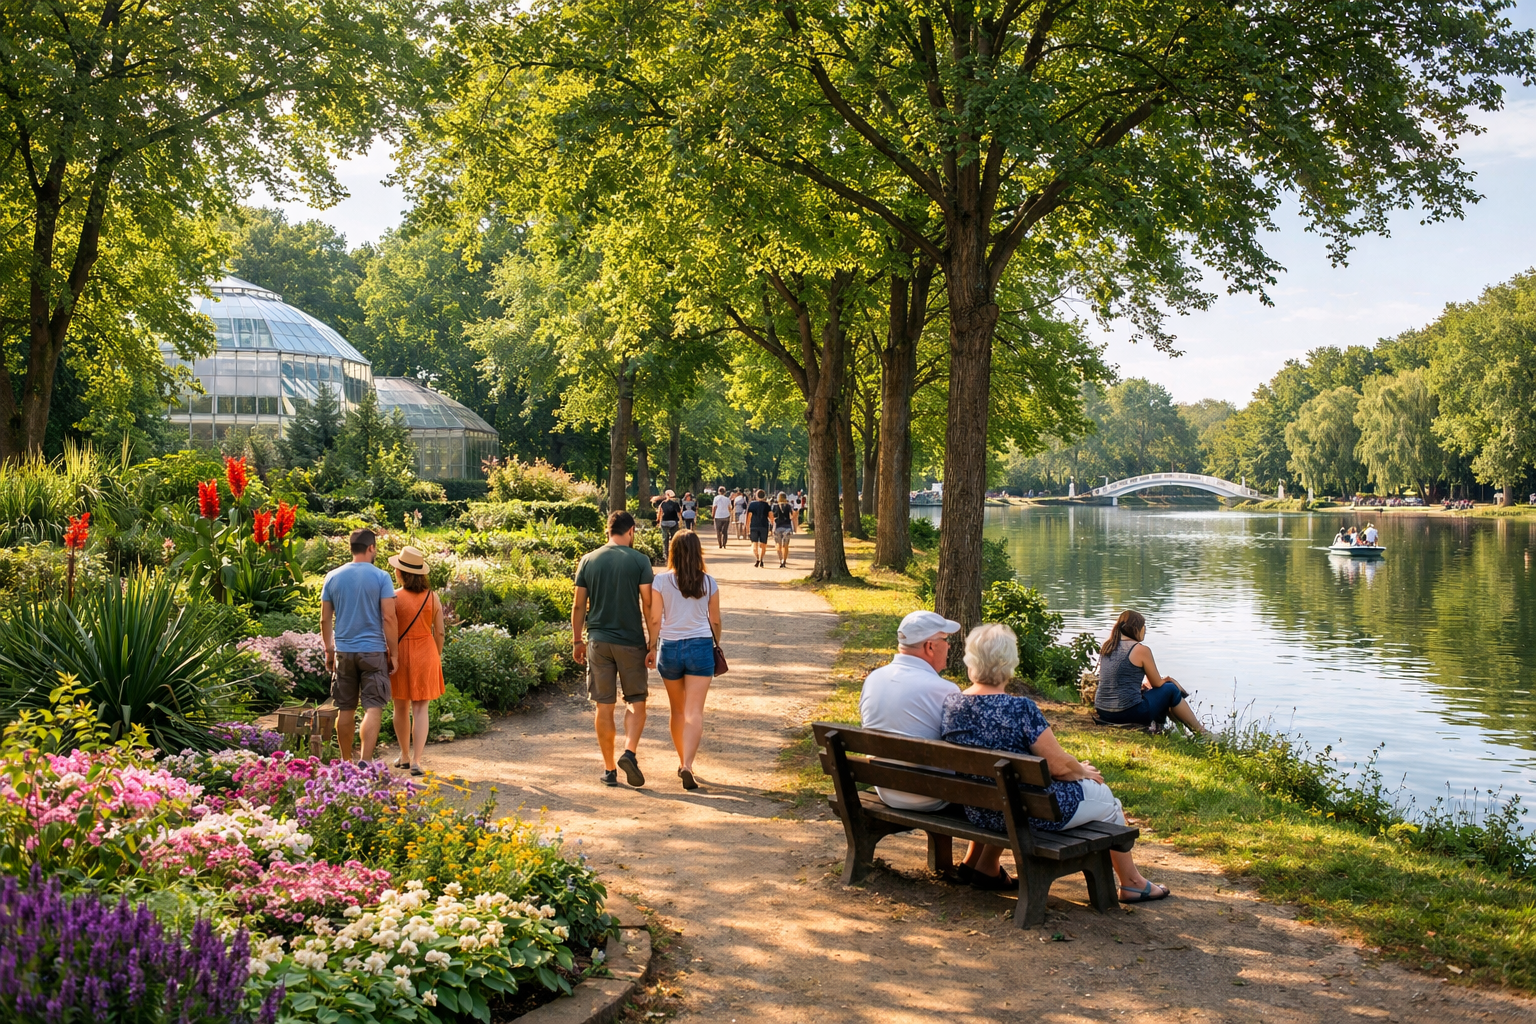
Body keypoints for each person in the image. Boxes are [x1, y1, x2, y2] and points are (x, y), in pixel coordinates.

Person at [942, 623, 1171, 902]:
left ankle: (985, 865)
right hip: (1027, 814)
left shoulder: (952, 705)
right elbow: (1059, 767)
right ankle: (1132, 882)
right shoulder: (1020, 709)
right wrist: (1083, 771)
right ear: (1009, 664)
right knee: (1107, 799)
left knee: (1014, 788)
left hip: (980, 810)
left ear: (970, 662)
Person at [573, 511, 656, 787]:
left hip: (598, 642)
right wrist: (652, 643)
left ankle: (609, 769)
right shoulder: (640, 560)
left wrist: (577, 640)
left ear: (607, 531)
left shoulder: (588, 560)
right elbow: (648, 604)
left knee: (604, 705)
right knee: (636, 701)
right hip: (631, 642)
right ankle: (629, 752)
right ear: (631, 531)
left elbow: (578, 605)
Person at [858, 610, 962, 812]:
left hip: (886, 789)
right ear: (930, 646)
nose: (949, 646)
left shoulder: (874, 679)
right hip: (932, 795)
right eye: (945, 640)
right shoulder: (945, 690)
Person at [643, 529, 721, 791]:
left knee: (677, 710)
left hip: (670, 647)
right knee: (694, 711)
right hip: (700, 646)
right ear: (698, 552)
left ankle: (681, 760)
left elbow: (655, 618)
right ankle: (687, 764)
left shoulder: (661, 581)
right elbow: (715, 621)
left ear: (672, 552)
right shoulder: (708, 582)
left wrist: (652, 647)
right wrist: (716, 643)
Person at [321, 529, 399, 763]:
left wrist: (329, 650)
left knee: (345, 708)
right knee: (373, 707)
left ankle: (346, 762)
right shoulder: (381, 577)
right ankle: (365, 761)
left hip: (344, 652)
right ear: (371, 547)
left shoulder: (332, 576)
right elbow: (389, 617)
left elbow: (325, 619)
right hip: (373, 651)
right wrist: (394, 653)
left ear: (351, 548)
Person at [1094, 611, 1206, 735]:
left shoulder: (1108, 646)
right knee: (1171, 689)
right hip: (1126, 713)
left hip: (1103, 712)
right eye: (1144, 626)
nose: (1145, 629)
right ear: (1136, 628)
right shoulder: (1141, 650)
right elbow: (1157, 683)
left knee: (1157, 691)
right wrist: (1170, 680)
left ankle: (1180, 733)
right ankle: (1202, 733)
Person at [387, 545, 444, 776]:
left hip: (400, 654)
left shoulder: (393, 597)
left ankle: (404, 755)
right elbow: (440, 632)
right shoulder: (432, 597)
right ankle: (417, 761)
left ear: (401, 573)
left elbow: (388, 628)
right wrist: (436, 655)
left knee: (400, 706)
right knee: (421, 709)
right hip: (426, 652)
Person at [745, 488, 772, 567]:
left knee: (754, 544)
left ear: (756, 496)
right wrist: (773, 525)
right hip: (764, 526)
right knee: (763, 544)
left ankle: (757, 558)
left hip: (754, 526)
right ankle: (761, 559)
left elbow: (748, 517)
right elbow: (771, 517)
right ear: (764, 496)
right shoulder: (767, 505)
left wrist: (747, 527)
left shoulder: (752, 505)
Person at [771, 490, 795, 568]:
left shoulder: (774, 506)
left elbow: (772, 516)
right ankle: (784, 560)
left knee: (778, 544)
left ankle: (780, 559)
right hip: (787, 527)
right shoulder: (788, 506)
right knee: (785, 545)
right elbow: (792, 516)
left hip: (778, 526)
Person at [656, 490, 681, 560]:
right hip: (673, 522)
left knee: (665, 539)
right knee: (674, 538)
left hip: (664, 522)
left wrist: (658, 521)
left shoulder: (662, 503)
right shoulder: (675, 504)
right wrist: (680, 521)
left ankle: (665, 555)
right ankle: (674, 553)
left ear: (666, 495)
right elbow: (679, 513)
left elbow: (659, 513)